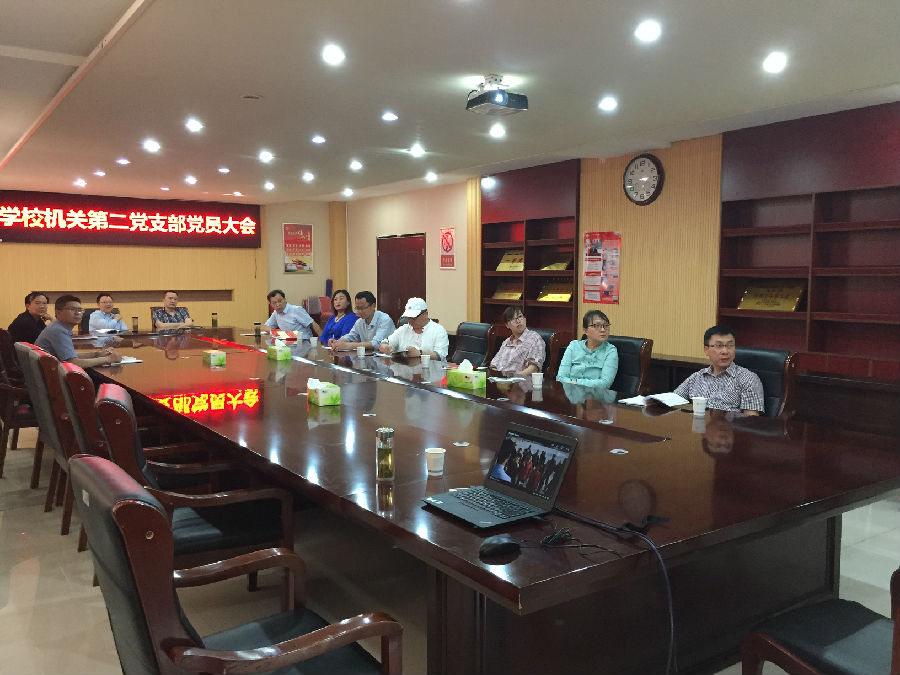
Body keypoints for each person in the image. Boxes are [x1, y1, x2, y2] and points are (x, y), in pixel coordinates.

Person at [674, 325, 764, 416]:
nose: (725, 351)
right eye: (718, 346)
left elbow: (751, 419)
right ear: (706, 350)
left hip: (728, 425)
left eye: (730, 345)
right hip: (698, 423)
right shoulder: (697, 377)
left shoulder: (748, 378)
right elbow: (673, 400)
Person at [35, 295, 122, 367]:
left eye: (80, 310)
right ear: (58, 312)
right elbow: (73, 363)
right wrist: (108, 359)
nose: (77, 313)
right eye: (72, 309)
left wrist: (97, 354)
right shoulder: (58, 331)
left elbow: (71, 356)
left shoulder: (59, 327)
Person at [556, 310, 618, 388]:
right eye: (597, 326)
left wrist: (575, 383)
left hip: (595, 394)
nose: (603, 330)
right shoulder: (573, 346)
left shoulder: (610, 351)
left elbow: (605, 384)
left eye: (606, 325)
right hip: (570, 393)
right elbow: (560, 378)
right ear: (585, 330)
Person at [378, 297, 449, 360]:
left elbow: (440, 355)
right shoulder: (403, 329)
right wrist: (385, 347)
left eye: (414, 317)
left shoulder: (438, 330)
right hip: (404, 369)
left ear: (425, 314)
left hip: (430, 369)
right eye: (408, 317)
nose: (410, 321)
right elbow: (385, 342)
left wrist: (419, 353)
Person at [489, 306, 545, 376]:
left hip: (520, 380)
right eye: (513, 319)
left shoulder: (535, 338)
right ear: (507, 325)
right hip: (500, 379)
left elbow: (534, 368)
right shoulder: (506, 342)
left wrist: (514, 378)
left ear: (525, 319)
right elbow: (494, 365)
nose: (518, 321)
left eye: (520, 316)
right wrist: (496, 377)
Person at [330, 291, 394, 351]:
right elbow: (350, 336)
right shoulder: (360, 321)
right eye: (358, 308)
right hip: (369, 356)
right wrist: (337, 342)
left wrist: (347, 346)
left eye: (363, 308)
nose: (359, 311)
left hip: (388, 357)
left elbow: (376, 344)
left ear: (373, 306)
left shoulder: (385, 320)